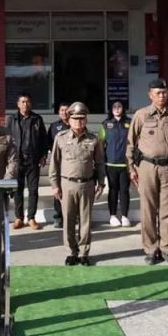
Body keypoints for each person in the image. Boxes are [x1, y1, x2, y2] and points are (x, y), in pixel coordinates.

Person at [127, 78, 168, 265]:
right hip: (147, 167)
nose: (162, 96)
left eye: (164, 93)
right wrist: (131, 167)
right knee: (148, 210)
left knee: (167, 210)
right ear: (150, 95)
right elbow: (131, 143)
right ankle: (150, 249)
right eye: (158, 93)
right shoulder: (141, 115)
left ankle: (166, 248)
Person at [49, 101, 105, 266]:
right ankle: (71, 252)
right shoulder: (60, 138)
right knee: (68, 220)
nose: (79, 122)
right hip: (67, 185)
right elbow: (54, 163)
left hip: (87, 185)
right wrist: (55, 185)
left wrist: (101, 183)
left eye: (82, 118)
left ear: (86, 120)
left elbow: (100, 163)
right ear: (69, 120)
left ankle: (84, 253)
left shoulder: (93, 139)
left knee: (85, 221)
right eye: (75, 118)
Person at [6, 92, 48, 231]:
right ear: (18, 104)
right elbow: (7, 139)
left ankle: (31, 218)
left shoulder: (37, 119)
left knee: (33, 190)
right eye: (23, 102)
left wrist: (43, 155)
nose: (25, 104)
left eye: (28, 101)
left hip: (33, 160)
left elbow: (43, 139)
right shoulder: (12, 119)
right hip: (17, 160)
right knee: (18, 190)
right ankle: (19, 217)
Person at [98, 100, 132, 228]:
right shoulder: (105, 124)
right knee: (113, 190)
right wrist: (101, 161)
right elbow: (100, 144)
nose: (117, 109)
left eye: (119, 106)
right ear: (111, 109)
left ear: (123, 108)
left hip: (125, 164)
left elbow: (135, 141)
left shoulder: (130, 123)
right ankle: (112, 216)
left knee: (124, 190)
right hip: (111, 164)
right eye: (114, 107)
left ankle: (125, 216)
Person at [47, 102, 71, 228]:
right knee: (58, 190)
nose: (64, 112)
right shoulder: (54, 126)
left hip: (72, 163)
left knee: (72, 191)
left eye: (66, 110)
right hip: (59, 163)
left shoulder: (76, 124)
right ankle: (58, 217)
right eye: (62, 110)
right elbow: (48, 143)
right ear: (58, 112)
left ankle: (73, 216)